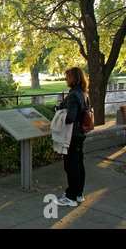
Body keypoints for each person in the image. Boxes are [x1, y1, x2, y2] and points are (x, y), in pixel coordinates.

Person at [54, 67, 89, 207]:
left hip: (72, 135)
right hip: (80, 133)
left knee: (71, 165)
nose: (66, 80)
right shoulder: (83, 93)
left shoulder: (74, 94)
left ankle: (71, 196)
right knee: (79, 163)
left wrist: (59, 111)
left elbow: (71, 117)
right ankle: (78, 194)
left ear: (73, 78)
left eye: (67, 77)